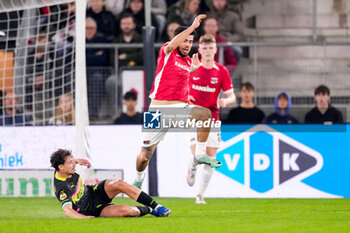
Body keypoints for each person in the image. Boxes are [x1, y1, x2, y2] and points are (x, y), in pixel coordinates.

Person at [133, 14, 222, 189]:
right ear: (177, 40)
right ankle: (138, 178)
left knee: (205, 114)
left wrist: (193, 68)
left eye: (190, 41)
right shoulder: (167, 52)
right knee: (144, 156)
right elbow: (174, 44)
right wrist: (193, 26)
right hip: (156, 112)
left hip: (179, 109)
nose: (188, 44)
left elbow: (183, 80)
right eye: (185, 41)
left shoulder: (188, 61)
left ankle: (199, 155)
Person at [186, 35, 236, 204]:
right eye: (204, 48)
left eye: (210, 48)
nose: (207, 51)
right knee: (197, 154)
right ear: (199, 50)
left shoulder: (221, 71)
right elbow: (179, 87)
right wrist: (187, 97)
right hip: (194, 115)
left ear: (215, 50)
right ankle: (192, 167)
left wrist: (226, 101)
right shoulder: (192, 68)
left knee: (211, 157)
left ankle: (199, 195)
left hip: (213, 117)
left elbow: (232, 96)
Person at [50, 149, 171, 218]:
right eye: (70, 162)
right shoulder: (61, 187)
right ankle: (150, 210)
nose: (74, 164)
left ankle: (157, 206)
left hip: (94, 193)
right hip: (90, 211)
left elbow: (69, 162)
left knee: (119, 183)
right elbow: (67, 210)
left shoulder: (64, 168)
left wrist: (77, 160)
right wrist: (83, 218)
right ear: (60, 167)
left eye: (73, 161)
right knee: (129, 211)